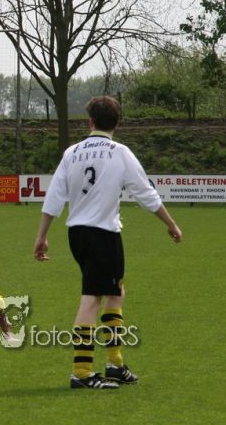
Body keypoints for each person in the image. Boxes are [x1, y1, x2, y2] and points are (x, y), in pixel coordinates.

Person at [33, 95, 183, 390]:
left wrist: (41, 236)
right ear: (117, 123)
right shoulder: (120, 152)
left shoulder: (72, 152)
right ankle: (82, 372)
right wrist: (171, 224)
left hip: (77, 233)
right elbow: (146, 193)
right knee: (92, 298)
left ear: (90, 122)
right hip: (102, 233)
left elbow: (54, 196)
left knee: (116, 291)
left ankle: (114, 363)